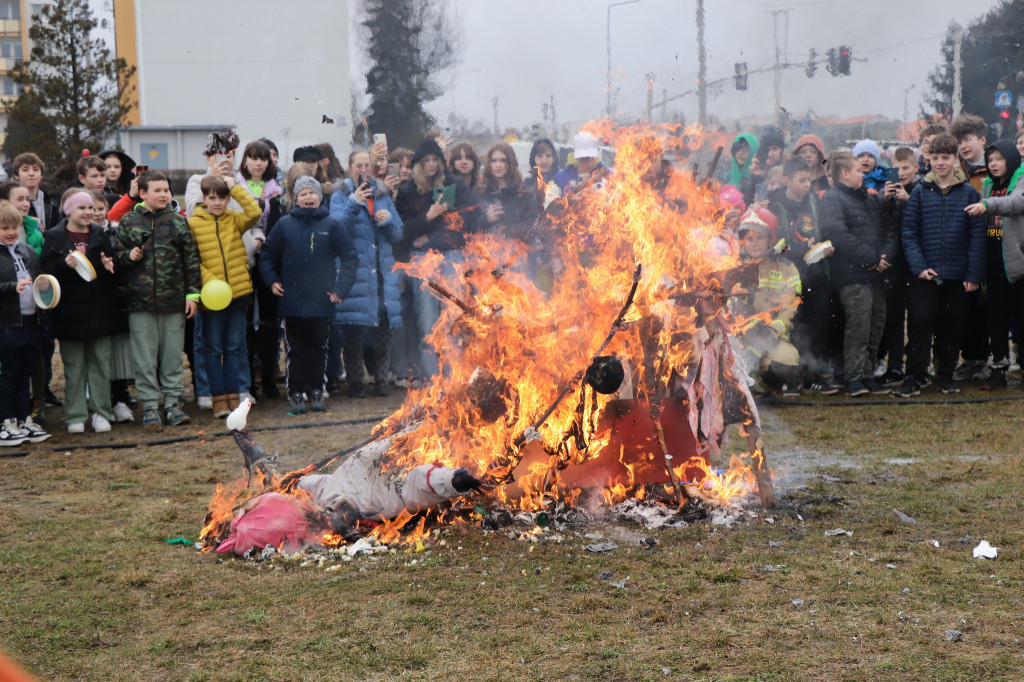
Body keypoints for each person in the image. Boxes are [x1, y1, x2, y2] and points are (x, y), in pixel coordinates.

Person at [895, 133, 986, 397]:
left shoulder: (968, 192)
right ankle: (915, 375)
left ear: (955, 159)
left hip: (958, 275)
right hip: (926, 274)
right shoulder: (920, 193)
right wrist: (919, 267)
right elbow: (909, 233)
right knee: (920, 324)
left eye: (945, 158)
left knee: (952, 326)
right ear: (928, 160)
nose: (940, 163)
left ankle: (946, 375)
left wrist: (973, 274)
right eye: (935, 158)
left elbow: (976, 237)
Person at [258, 176, 358, 415]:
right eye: (303, 194)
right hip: (292, 301)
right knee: (295, 350)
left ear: (320, 197)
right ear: (296, 199)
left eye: (312, 193)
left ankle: (316, 391)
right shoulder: (284, 225)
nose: (308, 197)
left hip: (322, 300)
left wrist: (341, 289)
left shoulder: (332, 225)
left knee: (319, 349)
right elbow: (267, 255)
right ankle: (295, 392)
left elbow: (350, 257)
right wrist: (272, 280)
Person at [116, 171, 201, 430]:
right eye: (158, 190)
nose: (164, 194)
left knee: (172, 357)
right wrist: (128, 256)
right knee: (144, 359)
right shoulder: (128, 222)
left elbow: (191, 260)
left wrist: (192, 295)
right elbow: (116, 257)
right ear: (143, 193)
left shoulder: (178, 221)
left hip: (173, 303)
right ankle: (150, 406)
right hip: (140, 303)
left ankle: (173, 404)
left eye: (166, 190)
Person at [394, 137, 476, 381]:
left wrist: (429, 238)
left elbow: (464, 226)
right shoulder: (408, 192)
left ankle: (455, 381)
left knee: (453, 319)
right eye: (426, 160)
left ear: (441, 162)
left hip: (451, 255)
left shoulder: (456, 186)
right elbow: (402, 232)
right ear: (419, 164)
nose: (431, 165)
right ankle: (433, 382)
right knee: (428, 322)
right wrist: (427, 218)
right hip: (422, 260)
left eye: (435, 160)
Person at [41, 189, 122, 433]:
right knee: (74, 367)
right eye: (82, 208)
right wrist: (63, 265)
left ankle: (101, 413)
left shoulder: (99, 234)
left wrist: (108, 266)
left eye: (90, 208)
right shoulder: (55, 236)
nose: (88, 212)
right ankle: (75, 415)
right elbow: (45, 273)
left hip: (100, 310)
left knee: (101, 365)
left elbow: (111, 268)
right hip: (69, 314)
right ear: (69, 211)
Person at [819, 152, 899, 397]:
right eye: (857, 171)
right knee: (859, 327)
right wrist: (872, 260)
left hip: (876, 274)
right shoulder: (832, 199)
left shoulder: (868, 198)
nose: (862, 174)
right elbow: (839, 235)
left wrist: (885, 257)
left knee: (875, 325)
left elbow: (887, 229)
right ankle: (853, 378)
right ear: (844, 174)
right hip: (852, 275)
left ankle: (867, 374)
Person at [330, 150, 404, 399]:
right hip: (355, 273)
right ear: (350, 167)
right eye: (358, 165)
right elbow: (335, 229)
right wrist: (354, 203)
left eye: (367, 165)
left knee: (382, 330)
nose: (363, 170)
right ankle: (356, 382)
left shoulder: (382, 194)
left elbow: (398, 233)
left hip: (381, 272)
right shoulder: (340, 195)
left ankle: (381, 379)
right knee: (354, 331)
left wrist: (389, 222)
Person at [188, 175, 262, 418]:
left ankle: (234, 393)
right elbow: (192, 259)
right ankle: (218, 396)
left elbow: (254, 212)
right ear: (204, 199)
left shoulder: (235, 219)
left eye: (222, 198)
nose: (217, 203)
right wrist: (213, 283)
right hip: (212, 297)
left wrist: (235, 187)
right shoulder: (193, 224)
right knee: (212, 347)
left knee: (234, 346)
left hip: (238, 294)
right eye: (212, 198)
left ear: (228, 199)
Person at [767, 158, 838, 394]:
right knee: (794, 326)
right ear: (787, 180)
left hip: (815, 275)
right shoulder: (776, 207)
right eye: (801, 180)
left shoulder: (813, 202)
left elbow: (822, 232)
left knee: (817, 324)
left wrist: (825, 247)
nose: (807, 184)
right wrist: (800, 249)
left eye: (809, 180)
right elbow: (779, 247)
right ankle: (791, 376)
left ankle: (813, 373)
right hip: (789, 277)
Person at [964, 140, 1024, 391]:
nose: (994, 164)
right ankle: (998, 370)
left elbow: (1016, 203)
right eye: (990, 160)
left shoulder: (1021, 180)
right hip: (994, 266)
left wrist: (987, 205)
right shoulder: (987, 185)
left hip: (1018, 265)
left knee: (1022, 320)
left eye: (999, 158)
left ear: (1010, 158)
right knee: (996, 322)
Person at [731, 207, 801, 396]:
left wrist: (772, 331)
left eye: (759, 238)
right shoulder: (734, 266)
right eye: (750, 239)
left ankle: (760, 389)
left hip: (770, 336)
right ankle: (736, 388)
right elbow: (723, 304)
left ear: (770, 239)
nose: (754, 244)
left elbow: (790, 308)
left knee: (785, 360)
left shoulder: (787, 269)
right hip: (737, 336)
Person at [234, 140, 284, 399]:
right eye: (254, 157)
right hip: (242, 259)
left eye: (263, 158)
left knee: (268, 322)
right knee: (244, 322)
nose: (259, 163)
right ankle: (248, 381)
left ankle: (268, 375)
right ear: (245, 160)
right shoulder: (235, 187)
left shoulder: (276, 190)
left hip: (269, 260)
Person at [0, 200, 51, 445]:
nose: (11, 232)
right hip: (7, 325)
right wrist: (12, 287)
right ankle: (5, 421)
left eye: (15, 227)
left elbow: (37, 278)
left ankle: (23, 419)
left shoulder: (27, 251)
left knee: (24, 372)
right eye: (4, 228)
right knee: (7, 374)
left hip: (31, 321)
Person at [950, 114, 991, 380]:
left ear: (982, 139)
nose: (963, 146)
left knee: (988, 306)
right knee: (965, 306)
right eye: (959, 141)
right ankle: (970, 358)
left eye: (968, 139)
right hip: (961, 246)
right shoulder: (956, 171)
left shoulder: (996, 167)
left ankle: (988, 358)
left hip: (991, 243)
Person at [89, 190, 135, 423]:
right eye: (92, 209)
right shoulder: (83, 236)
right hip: (93, 301)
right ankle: (100, 401)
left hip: (116, 301)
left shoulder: (116, 233)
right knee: (99, 355)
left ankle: (119, 398)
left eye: (100, 208)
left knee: (117, 354)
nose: (97, 213)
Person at [875, 147, 918, 387]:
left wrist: (908, 201)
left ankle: (916, 367)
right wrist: (885, 200)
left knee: (916, 319)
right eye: (897, 168)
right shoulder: (886, 193)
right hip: (894, 263)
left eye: (905, 168)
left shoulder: (920, 190)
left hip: (915, 262)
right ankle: (894, 367)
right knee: (893, 318)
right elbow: (881, 223)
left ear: (915, 168)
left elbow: (923, 219)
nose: (901, 173)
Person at [479, 142, 538, 243]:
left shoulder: (525, 193)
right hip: (486, 247)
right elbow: (471, 225)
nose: (498, 165)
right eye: (494, 161)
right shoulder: (481, 192)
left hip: (517, 247)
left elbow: (531, 223)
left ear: (510, 163)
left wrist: (508, 230)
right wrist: (486, 219)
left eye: (503, 160)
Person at [11, 153, 59, 231]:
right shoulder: (9, 203)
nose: (31, 173)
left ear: (41, 175)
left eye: (35, 169)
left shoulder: (52, 204)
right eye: (25, 170)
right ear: (16, 175)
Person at [740, 126, 785, 206]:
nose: (770, 154)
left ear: (781, 151)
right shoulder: (753, 176)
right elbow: (744, 203)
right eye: (766, 149)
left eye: (774, 149)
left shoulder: (787, 173)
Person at [524, 138, 560, 212]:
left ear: (554, 159)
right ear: (533, 159)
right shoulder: (526, 186)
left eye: (548, 156)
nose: (544, 161)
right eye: (540, 156)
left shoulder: (561, 184)